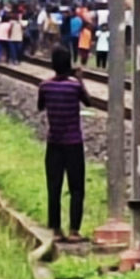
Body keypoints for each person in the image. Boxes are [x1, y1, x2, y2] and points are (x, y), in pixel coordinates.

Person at [37, 46, 91, 243]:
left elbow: (40, 106)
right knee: (76, 188)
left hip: (54, 142)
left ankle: (56, 229)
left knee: (54, 186)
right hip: (74, 143)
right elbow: (88, 102)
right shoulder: (75, 86)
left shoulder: (45, 86)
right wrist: (79, 79)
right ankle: (74, 230)